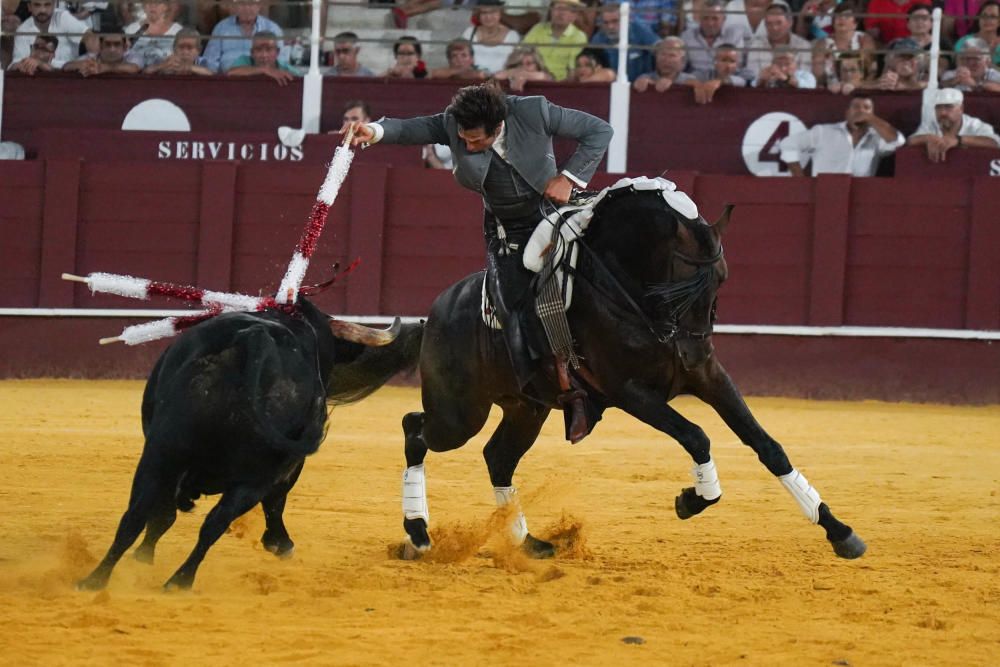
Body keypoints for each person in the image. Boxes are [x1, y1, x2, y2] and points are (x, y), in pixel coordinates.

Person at [341, 83, 613, 443]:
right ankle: (564, 390)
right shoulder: (455, 123)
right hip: (508, 231)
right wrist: (372, 130)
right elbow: (409, 129)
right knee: (518, 304)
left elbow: (599, 130)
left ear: (499, 125)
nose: (466, 147)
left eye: (475, 141)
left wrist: (569, 177)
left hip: (560, 213)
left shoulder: (533, 111)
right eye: (463, 140)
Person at [779, 96, 905, 176]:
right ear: (847, 113)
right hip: (825, 191)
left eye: (867, 108)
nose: (861, 111)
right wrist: (800, 180)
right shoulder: (824, 132)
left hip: (861, 195)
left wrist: (870, 118)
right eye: (856, 107)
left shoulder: (877, 138)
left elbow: (898, 141)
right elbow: (787, 144)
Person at [907, 88, 1000, 162]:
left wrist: (958, 140)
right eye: (938, 107)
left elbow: (994, 142)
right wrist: (928, 138)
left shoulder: (975, 125)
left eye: (948, 107)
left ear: (961, 109)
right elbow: (910, 141)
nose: (943, 113)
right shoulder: (931, 124)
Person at [201, 0, 287, 73]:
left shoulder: (272, 28)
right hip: (228, 81)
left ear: (259, 6)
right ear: (235, 7)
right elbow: (209, 63)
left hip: (263, 80)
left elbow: (282, 62)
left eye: (251, 3)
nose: (247, 8)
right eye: (242, 3)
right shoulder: (221, 28)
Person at [13, 0, 95, 68]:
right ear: (29, 7)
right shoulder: (22, 30)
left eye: (47, 4)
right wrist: (24, 65)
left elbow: (91, 38)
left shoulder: (63, 18)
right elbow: (15, 65)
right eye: (37, 5)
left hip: (71, 78)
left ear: (54, 5)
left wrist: (90, 61)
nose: (43, 10)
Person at [589, 1, 658, 81]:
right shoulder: (598, 39)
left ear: (626, 19)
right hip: (609, 89)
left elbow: (660, 49)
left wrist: (651, 77)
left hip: (639, 88)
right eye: (606, 23)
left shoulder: (639, 30)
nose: (610, 26)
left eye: (615, 21)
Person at [522, 0, 589, 81]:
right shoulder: (538, 28)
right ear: (551, 11)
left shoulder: (579, 37)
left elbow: (573, 72)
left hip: (558, 83)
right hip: (530, 77)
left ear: (574, 15)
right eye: (558, 8)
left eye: (567, 10)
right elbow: (521, 53)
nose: (561, 13)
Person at [680, 0, 748, 78]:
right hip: (695, 84)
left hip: (727, 83)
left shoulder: (735, 35)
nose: (710, 23)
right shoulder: (687, 36)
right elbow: (681, 67)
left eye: (715, 18)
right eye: (706, 18)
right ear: (699, 19)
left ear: (724, 19)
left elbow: (738, 67)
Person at [744, 2, 811, 80]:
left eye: (779, 23)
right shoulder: (755, 45)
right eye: (769, 23)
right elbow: (752, 78)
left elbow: (806, 80)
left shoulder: (804, 46)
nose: (774, 28)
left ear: (790, 23)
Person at [462, 0, 520, 75]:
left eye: (493, 12)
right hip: (473, 80)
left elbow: (516, 64)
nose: (488, 17)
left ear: (500, 13)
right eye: (484, 13)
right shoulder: (469, 33)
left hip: (502, 82)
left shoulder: (512, 36)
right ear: (479, 14)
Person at [123, 0, 182, 69]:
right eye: (149, 2)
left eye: (158, 2)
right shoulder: (131, 29)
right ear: (144, 6)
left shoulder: (178, 30)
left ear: (166, 7)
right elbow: (124, 55)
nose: (153, 6)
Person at [225, 30, 298, 84]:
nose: (264, 55)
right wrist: (264, 70)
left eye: (269, 49)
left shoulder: (287, 69)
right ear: (252, 53)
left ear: (277, 52)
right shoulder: (244, 61)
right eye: (258, 50)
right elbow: (230, 72)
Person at [62, 28, 141, 75]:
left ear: (125, 47)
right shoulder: (92, 56)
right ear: (100, 46)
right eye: (107, 44)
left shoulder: (133, 56)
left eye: (117, 44)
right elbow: (66, 66)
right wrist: (84, 65)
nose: (112, 49)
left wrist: (102, 68)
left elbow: (134, 68)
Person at [142, 27, 213, 74]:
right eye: (181, 47)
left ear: (199, 50)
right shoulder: (167, 60)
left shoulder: (202, 61)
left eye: (189, 48)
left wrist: (188, 67)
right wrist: (162, 66)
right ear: (174, 48)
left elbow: (210, 73)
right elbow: (146, 72)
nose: (185, 52)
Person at [953, 0, 1000, 66]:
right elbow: (959, 67)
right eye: (984, 15)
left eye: (992, 16)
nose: (987, 19)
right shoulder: (964, 41)